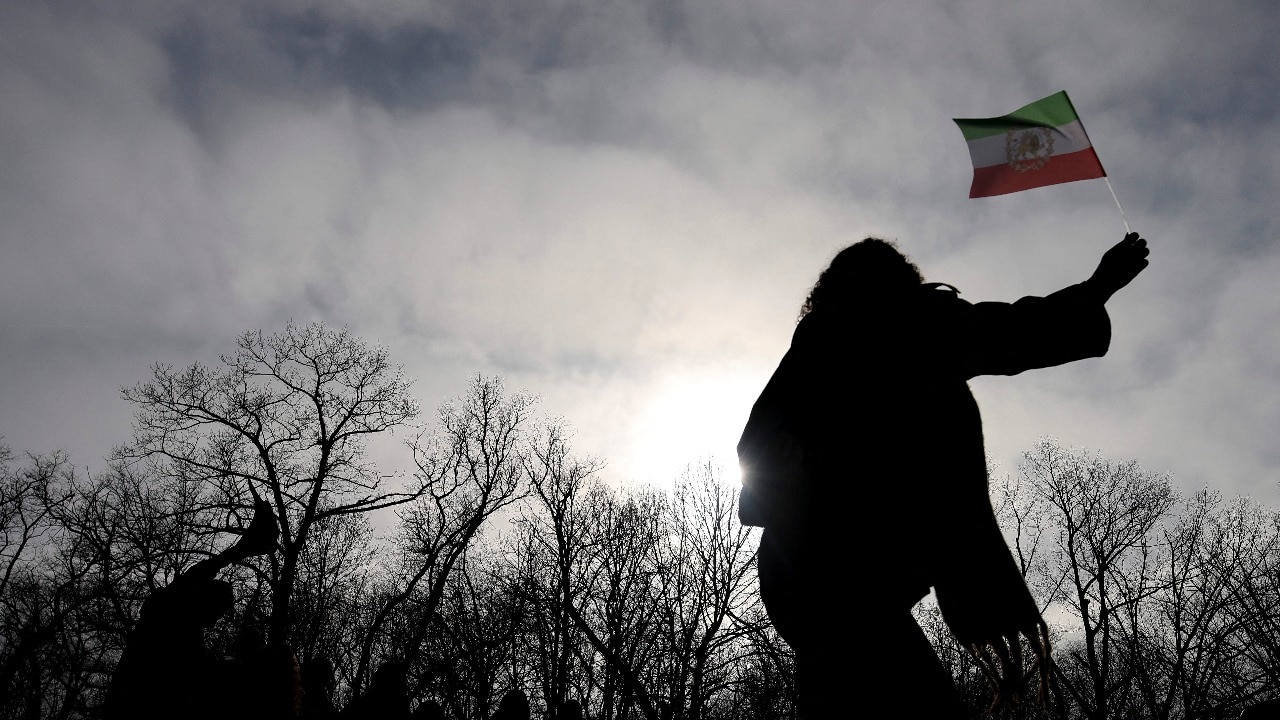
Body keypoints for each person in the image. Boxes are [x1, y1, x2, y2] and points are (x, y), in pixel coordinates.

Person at [737, 232, 1150, 717]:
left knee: (841, 691)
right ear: (901, 282)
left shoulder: (815, 344)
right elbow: (1013, 331)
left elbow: (755, 452)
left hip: (796, 572)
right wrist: (1099, 286)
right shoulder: (913, 323)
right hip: (843, 570)